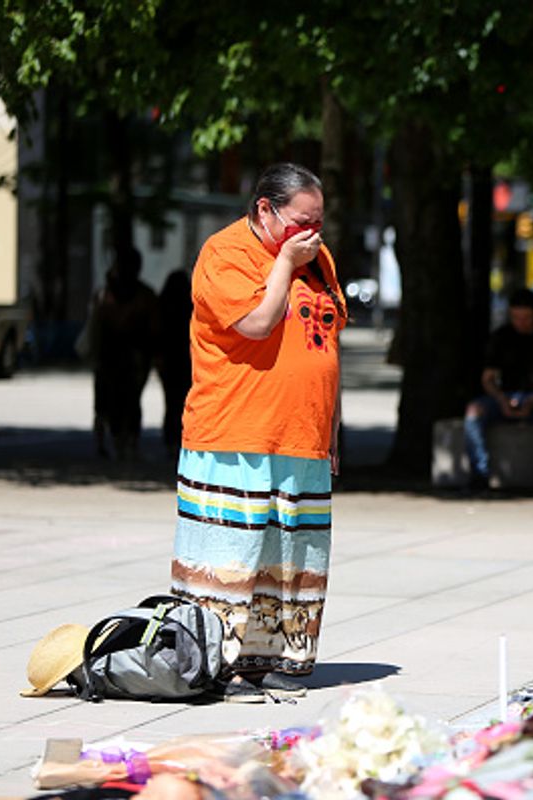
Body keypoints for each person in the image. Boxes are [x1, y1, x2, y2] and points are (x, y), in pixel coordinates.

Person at [170, 162, 346, 702]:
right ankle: (217, 665)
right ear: (265, 209)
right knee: (234, 556)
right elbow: (256, 323)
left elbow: (328, 341)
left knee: (294, 557)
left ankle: (279, 661)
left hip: (303, 436)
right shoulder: (225, 254)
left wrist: (333, 429)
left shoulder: (318, 258)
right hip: (235, 434)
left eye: (317, 222)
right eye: (299, 222)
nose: (310, 233)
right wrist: (287, 264)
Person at [465, 288, 533, 496]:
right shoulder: (501, 336)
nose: (521, 323)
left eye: (526, 318)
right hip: (505, 395)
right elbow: (488, 378)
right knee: (474, 412)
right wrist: (501, 399)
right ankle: (480, 475)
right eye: (516, 318)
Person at [89, 245, 157, 460]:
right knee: (125, 402)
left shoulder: (105, 295)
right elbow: (154, 327)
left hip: (116, 356)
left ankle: (115, 442)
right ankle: (124, 443)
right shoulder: (141, 295)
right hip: (125, 357)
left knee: (114, 402)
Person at [156, 269, 193, 459]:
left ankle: (170, 441)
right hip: (186, 361)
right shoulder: (190, 306)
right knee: (183, 401)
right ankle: (179, 440)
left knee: (170, 402)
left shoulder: (163, 307)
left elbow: (157, 334)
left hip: (169, 361)